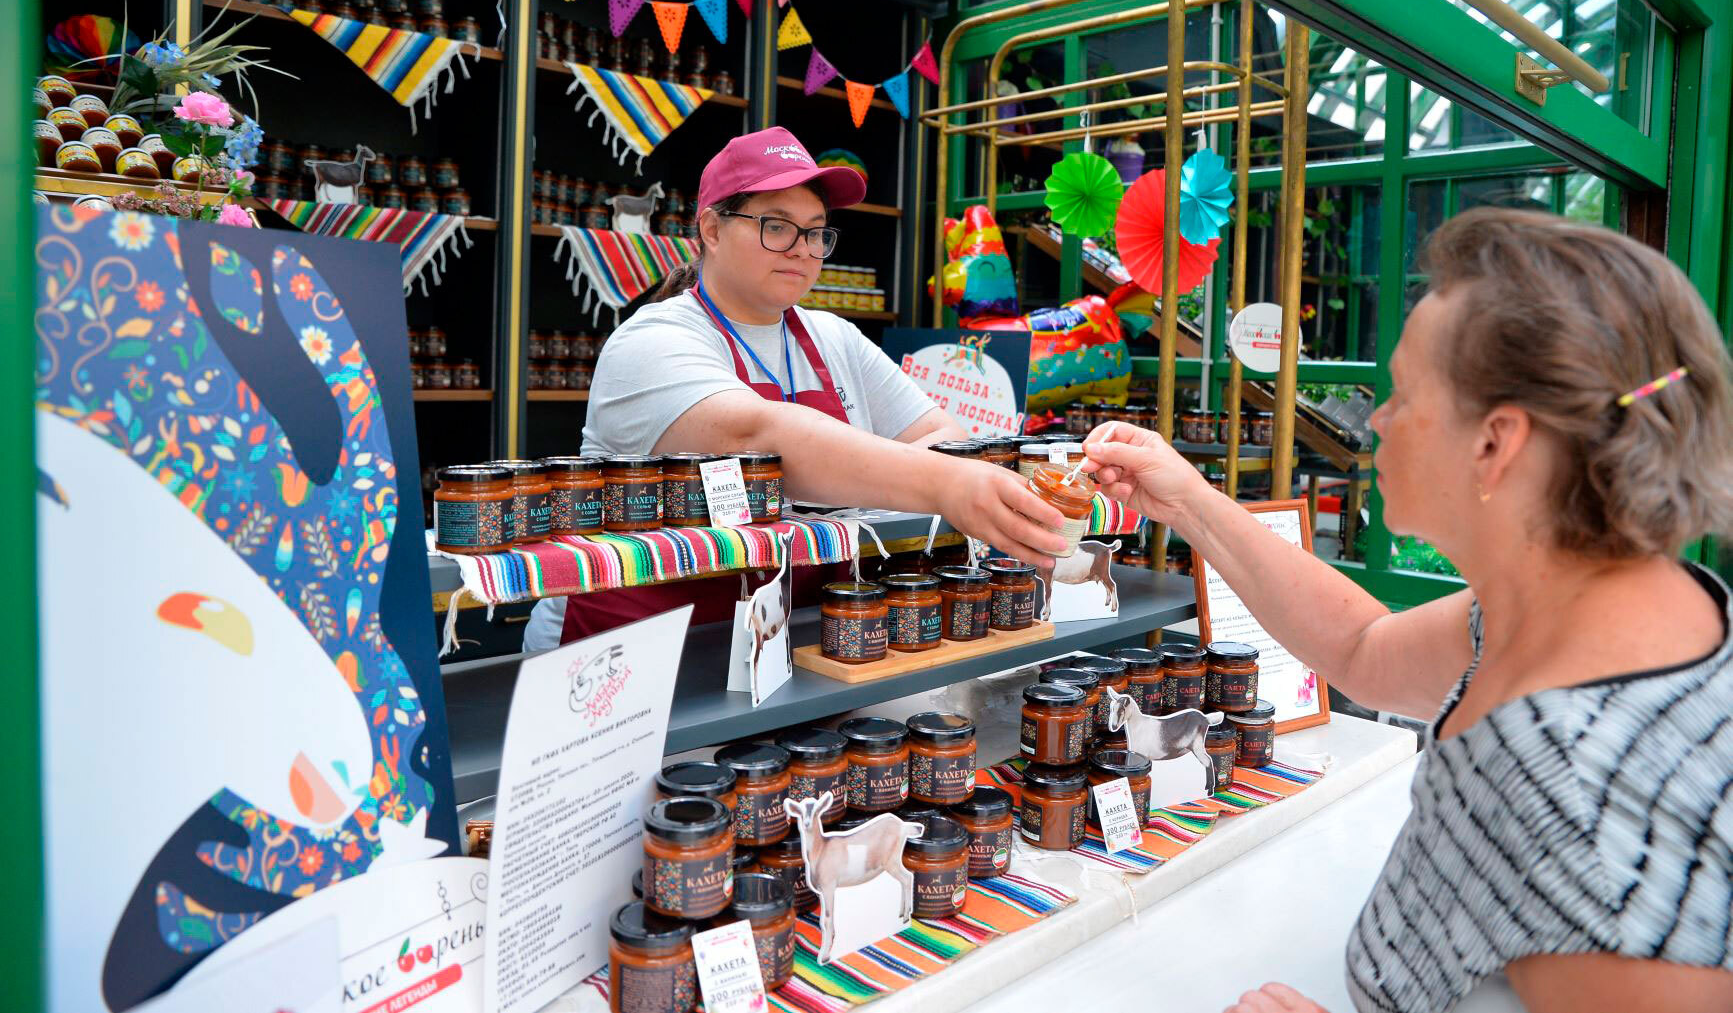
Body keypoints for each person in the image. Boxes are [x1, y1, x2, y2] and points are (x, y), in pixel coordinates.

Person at [1079, 208, 1733, 1013]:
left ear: (1495, 443)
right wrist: (1188, 502)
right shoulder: (1584, 608)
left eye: (1402, 395)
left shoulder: (1574, 790)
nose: (1376, 421)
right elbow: (1363, 647)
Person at [525, 127, 1065, 648]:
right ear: (711, 230)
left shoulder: (834, 337)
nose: (804, 249)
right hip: (632, 643)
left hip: (786, 635)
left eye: (816, 231)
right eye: (777, 226)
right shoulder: (651, 340)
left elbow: (943, 432)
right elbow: (756, 435)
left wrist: (916, 468)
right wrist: (942, 481)